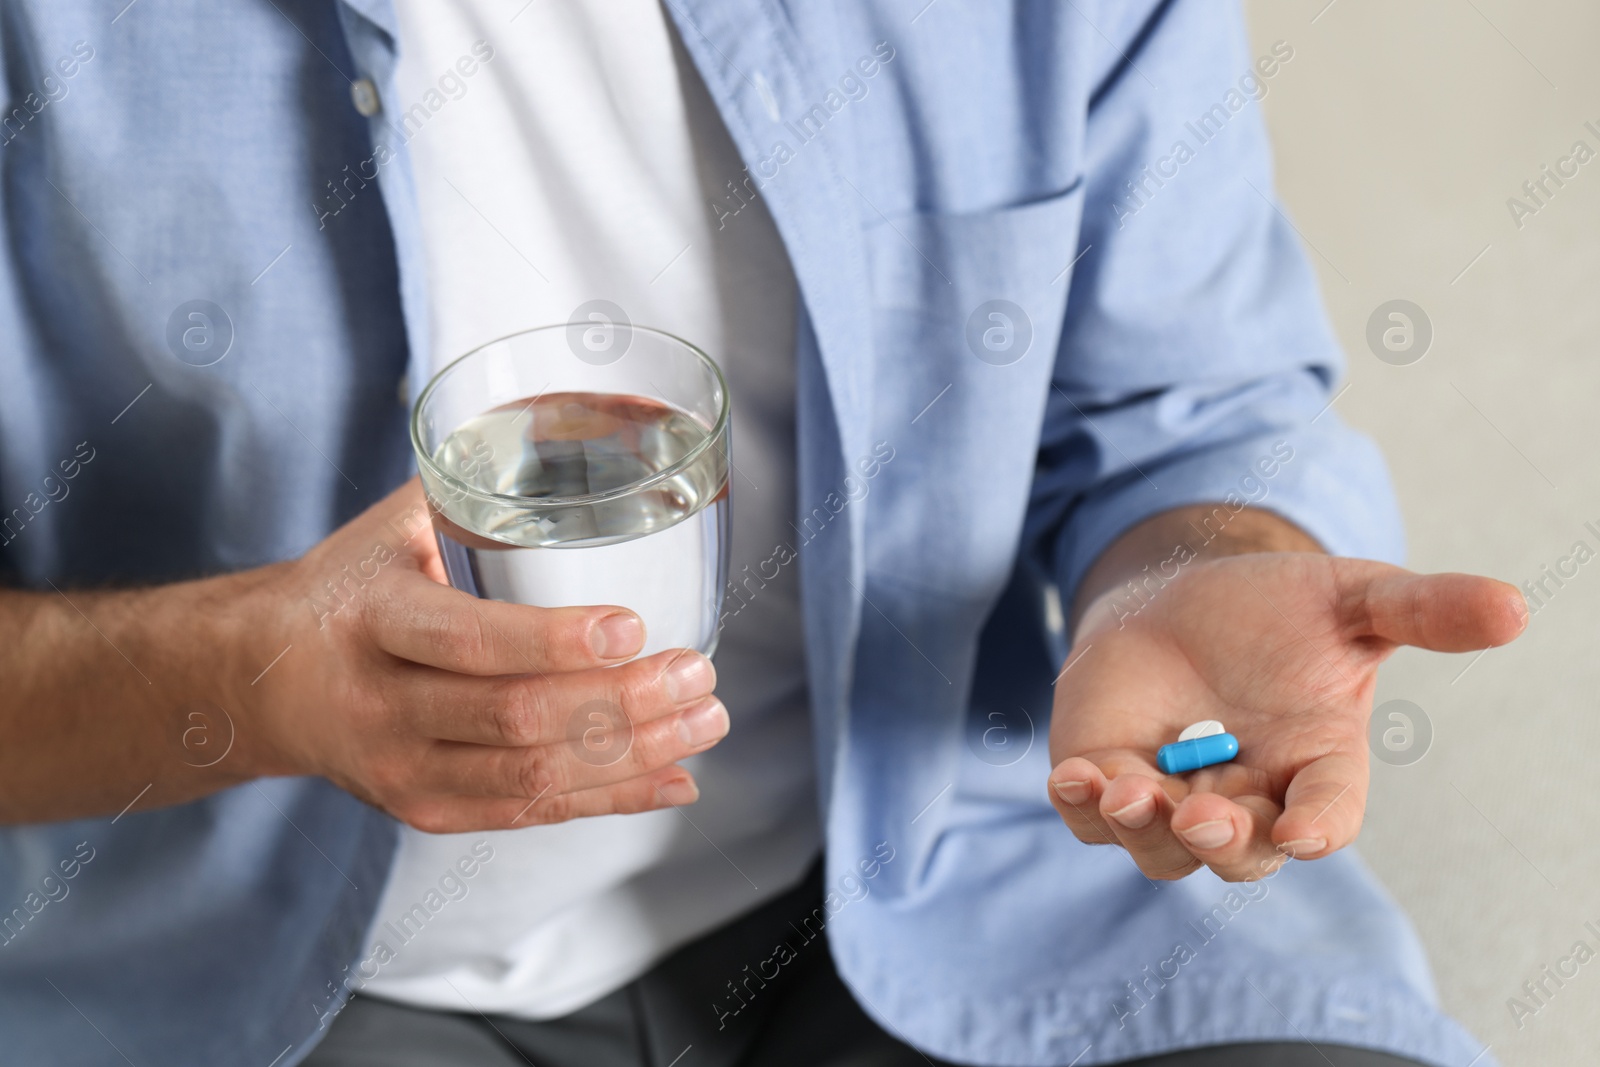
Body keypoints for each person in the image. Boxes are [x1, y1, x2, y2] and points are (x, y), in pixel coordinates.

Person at [0, 2, 1524, 1065]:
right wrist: (238, 681)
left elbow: (1178, 404)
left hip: (968, 875)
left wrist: (1195, 565)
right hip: (262, 985)